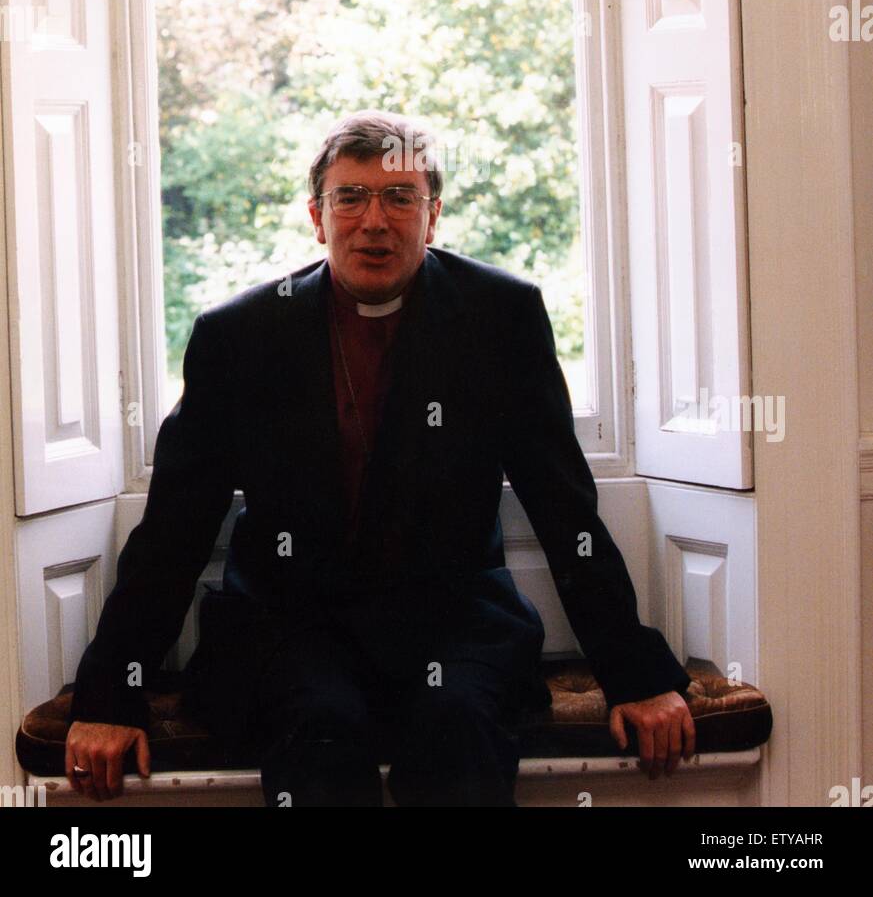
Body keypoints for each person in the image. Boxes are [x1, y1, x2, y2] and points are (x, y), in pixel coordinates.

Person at [66, 109, 695, 806]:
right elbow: (174, 531)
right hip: (289, 626)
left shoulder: (500, 318)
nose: (374, 221)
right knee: (320, 729)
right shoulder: (240, 336)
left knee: (454, 727)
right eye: (351, 197)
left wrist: (635, 674)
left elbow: (563, 508)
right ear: (317, 215)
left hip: (454, 622)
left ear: (432, 217)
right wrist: (110, 692)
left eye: (400, 198)